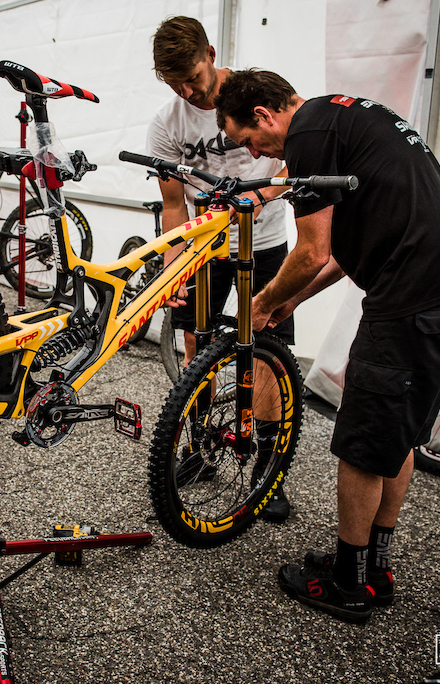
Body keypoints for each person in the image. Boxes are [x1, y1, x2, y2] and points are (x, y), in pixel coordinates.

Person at [214, 70, 440, 623]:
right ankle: (374, 567)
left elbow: (312, 249)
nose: (259, 155)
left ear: (265, 115)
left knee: (362, 441)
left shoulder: (306, 137)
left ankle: (346, 582)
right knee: (398, 435)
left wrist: (262, 303)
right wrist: (295, 301)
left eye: (249, 140)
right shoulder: (344, 116)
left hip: (411, 297)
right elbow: (343, 251)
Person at [147, 17, 294, 522]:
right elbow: (172, 204)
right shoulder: (167, 122)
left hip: (266, 238)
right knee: (196, 342)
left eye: (192, 76)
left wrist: (260, 195)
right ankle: (202, 447)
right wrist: (174, 266)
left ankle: (267, 470)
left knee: (267, 349)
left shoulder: (257, 92)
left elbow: (296, 157)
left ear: (211, 53)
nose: (187, 90)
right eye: (174, 82)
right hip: (204, 246)